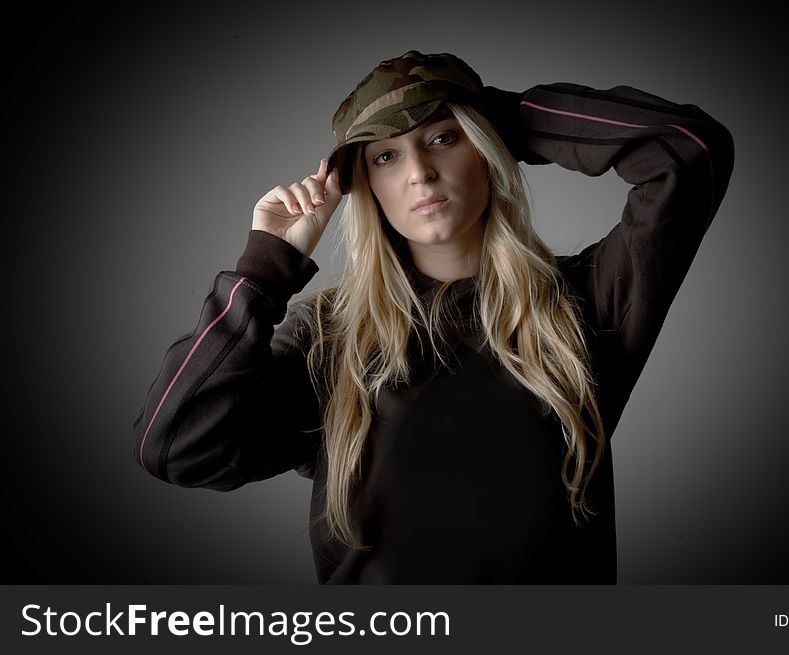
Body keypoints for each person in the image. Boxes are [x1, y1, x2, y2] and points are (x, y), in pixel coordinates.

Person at [134, 50, 734, 583]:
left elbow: (686, 150)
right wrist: (266, 267)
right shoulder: (331, 338)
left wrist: (497, 114)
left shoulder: (582, 302)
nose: (419, 171)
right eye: (386, 156)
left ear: (487, 146)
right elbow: (173, 446)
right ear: (366, 185)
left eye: (445, 137)